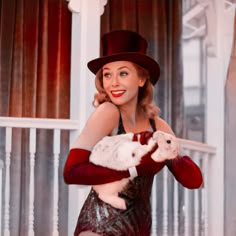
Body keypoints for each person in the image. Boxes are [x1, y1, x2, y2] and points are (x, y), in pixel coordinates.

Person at [63, 30, 203, 236]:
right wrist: (134, 168)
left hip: (139, 227)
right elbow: (72, 171)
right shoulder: (108, 113)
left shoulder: (158, 125)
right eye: (107, 74)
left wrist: (175, 155)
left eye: (123, 73)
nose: (113, 83)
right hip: (100, 227)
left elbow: (193, 181)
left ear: (141, 79)